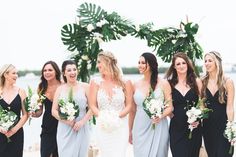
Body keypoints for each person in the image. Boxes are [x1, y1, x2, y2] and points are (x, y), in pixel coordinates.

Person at [89, 51, 133, 157]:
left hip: (120, 126)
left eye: (99, 62)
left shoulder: (126, 82)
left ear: (108, 62)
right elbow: (92, 105)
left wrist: (116, 116)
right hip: (102, 126)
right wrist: (103, 117)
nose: (98, 65)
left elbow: (129, 106)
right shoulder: (95, 82)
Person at [129, 52, 173, 157]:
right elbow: (132, 111)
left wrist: (160, 116)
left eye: (143, 63)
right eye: (139, 62)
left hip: (159, 126)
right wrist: (130, 131)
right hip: (139, 128)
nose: (140, 65)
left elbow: (170, 107)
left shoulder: (163, 83)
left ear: (151, 64)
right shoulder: (135, 85)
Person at [165, 52, 202, 157]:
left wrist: (198, 119)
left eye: (183, 63)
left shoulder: (197, 82)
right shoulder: (169, 84)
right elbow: (166, 104)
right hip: (176, 129)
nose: (181, 66)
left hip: (193, 128)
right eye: (178, 64)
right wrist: (170, 115)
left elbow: (202, 104)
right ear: (174, 67)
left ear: (188, 64)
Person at [51, 60, 92, 157]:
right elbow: (53, 111)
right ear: (64, 73)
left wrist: (82, 122)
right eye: (69, 70)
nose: (72, 72)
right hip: (65, 128)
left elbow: (92, 108)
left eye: (74, 69)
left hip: (82, 127)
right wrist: (66, 121)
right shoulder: (60, 89)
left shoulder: (85, 87)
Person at [202, 51, 234, 157]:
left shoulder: (227, 82)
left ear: (217, 63)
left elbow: (230, 107)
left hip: (223, 126)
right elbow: (201, 106)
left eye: (210, 60)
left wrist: (231, 128)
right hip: (207, 126)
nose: (207, 63)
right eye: (205, 61)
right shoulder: (202, 82)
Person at [30, 61, 61, 157]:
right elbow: (40, 111)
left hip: (61, 124)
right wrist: (35, 113)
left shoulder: (63, 85)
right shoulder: (41, 87)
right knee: (45, 154)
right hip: (47, 126)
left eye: (50, 70)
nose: (47, 72)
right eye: (45, 70)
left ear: (56, 71)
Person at [0, 64, 28, 157]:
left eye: (17, 73)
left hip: (17, 134)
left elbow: (25, 114)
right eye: (14, 73)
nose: (16, 76)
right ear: (5, 75)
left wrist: (14, 130)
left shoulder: (21, 91)